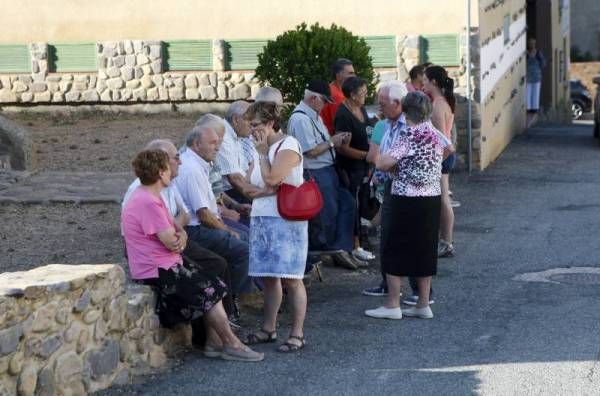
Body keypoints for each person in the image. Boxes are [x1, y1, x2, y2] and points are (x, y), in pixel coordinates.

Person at [122, 149, 263, 362]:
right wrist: (179, 236)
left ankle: (214, 343)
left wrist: (180, 235)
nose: (173, 170)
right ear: (161, 172)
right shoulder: (148, 201)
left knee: (214, 283)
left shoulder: (150, 195)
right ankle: (231, 344)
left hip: (166, 262)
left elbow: (177, 229)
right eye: (169, 167)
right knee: (210, 290)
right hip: (156, 268)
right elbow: (171, 240)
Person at [122, 139, 236, 323]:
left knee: (217, 266)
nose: (180, 161)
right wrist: (178, 232)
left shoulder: (166, 185)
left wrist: (180, 232)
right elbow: (168, 237)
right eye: (176, 158)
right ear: (162, 166)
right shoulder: (143, 193)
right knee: (214, 269)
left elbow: (184, 215)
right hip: (156, 257)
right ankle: (211, 335)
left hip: (172, 244)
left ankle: (222, 329)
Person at [365, 91, 451, 320]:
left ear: (404, 110)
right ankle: (423, 303)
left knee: (394, 247)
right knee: (424, 248)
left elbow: (382, 163)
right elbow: (449, 149)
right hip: (431, 197)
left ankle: (393, 304)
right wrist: (427, 169)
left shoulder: (408, 135)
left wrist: (398, 167)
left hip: (405, 198)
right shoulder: (433, 133)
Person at [243, 101, 309, 353]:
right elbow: (248, 185)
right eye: (250, 126)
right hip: (263, 218)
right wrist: (266, 190)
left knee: (292, 278)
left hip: (285, 220)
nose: (252, 131)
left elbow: (271, 178)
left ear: (270, 123)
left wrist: (262, 157)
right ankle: (269, 328)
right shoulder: (263, 148)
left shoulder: (288, 146)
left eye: (256, 125)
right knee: (270, 277)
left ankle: (297, 333)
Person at [287, 79, 365, 270]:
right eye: (324, 101)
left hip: (328, 169)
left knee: (347, 203)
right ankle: (330, 250)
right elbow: (310, 151)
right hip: (316, 171)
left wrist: (334, 141)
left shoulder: (314, 114)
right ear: (313, 98)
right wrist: (333, 142)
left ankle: (341, 248)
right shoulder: (300, 119)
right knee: (327, 213)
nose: (326, 105)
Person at [174, 125, 253, 302]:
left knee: (247, 238)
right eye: (212, 143)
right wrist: (225, 229)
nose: (217, 147)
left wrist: (232, 208)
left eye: (218, 143)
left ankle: (233, 297)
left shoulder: (197, 163)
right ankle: (230, 300)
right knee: (244, 250)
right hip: (196, 230)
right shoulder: (192, 169)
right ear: (196, 144)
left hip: (203, 223)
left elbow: (209, 203)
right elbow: (203, 214)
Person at [362, 80, 409, 296]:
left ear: (398, 103)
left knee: (396, 237)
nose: (379, 107)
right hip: (390, 185)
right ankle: (395, 288)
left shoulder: (407, 126)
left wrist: (389, 163)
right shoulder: (386, 124)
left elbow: (374, 157)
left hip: (400, 186)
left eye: (383, 103)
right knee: (391, 236)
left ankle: (401, 291)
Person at [334, 76, 376, 261]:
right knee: (354, 204)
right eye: (362, 93)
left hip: (365, 166)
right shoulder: (343, 115)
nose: (365, 96)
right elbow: (342, 147)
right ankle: (354, 244)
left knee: (365, 201)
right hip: (351, 168)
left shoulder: (361, 108)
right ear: (352, 95)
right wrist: (364, 155)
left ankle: (362, 238)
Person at [424, 65, 457, 258]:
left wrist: (435, 162)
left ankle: (446, 242)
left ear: (434, 82)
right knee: (443, 199)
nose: (424, 84)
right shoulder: (443, 101)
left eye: (427, 80)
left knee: (444, 199)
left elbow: (441, 140)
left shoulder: (438, 104)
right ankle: (446, 241)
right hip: (444, 156)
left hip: (441, 156)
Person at [321, 58, 356, 135]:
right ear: (338, 76)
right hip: (332, 139)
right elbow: (342, 126)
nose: (354, 76)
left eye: (353, 73)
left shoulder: (334, 89)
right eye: (350, 73)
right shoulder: (336, 95)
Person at [526, 37, 546, 113]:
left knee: (536, 92)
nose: (532, 45)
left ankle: (534, 108)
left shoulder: (538, 53)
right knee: (528, 92)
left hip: (536, 76)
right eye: (530, 43)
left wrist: (539, 66)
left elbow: (543, 63)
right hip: (528, 76)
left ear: (535, 44)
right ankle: (528, 108)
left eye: (533, 43)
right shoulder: (526, 53)